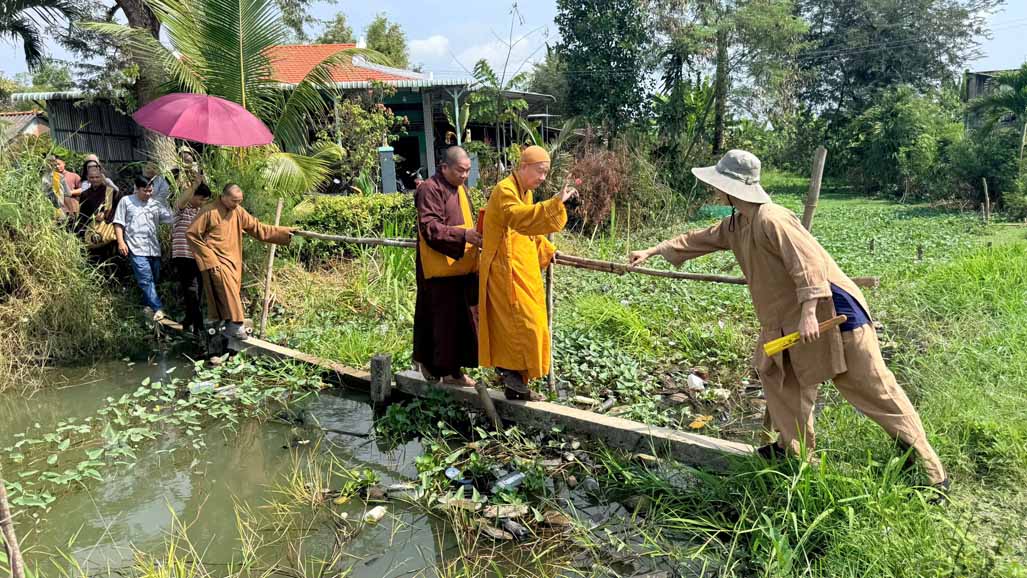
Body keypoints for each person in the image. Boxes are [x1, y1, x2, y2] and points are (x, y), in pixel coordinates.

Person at [629, 149, 948, 496]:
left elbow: (807, 263)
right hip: (788, 319)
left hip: (833, 313)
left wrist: (810, 311)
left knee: (872, 389)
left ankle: (930, 473)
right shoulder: (737, 223)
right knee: (777, 375)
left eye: (717, 184)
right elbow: (700, 238)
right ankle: (793, 453)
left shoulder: (773, 219)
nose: (713, 190)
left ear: (731, 188)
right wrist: (654, 250)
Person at [478, 146, 577, 400]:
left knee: (530, 325)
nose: (542, 177)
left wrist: (547, 249)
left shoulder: (527, 193)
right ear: (523, 166)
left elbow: (530, 232)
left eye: (546, 173)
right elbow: (520, 218)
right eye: (539, 171)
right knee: (521, 326)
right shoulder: (505, 190)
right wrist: (554, 204)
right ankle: (508, 373)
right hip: (502, 270)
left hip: (524, 268)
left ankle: (517, 386)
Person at [186, 183, 293, 340]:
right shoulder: (208, 211)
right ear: (223, 197)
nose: (237, 204)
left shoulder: (238, 211)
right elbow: (191, 234)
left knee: (228, 293)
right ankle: (235, 325)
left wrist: (285, 233)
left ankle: (226, 324)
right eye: (234, 201)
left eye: (239, 201)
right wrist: (208, 257)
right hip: (216, 259)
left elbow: (258, 228)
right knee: (227, 289)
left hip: (233, 259)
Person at [413, 146, 482, 386]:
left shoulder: (461, 189)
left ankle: (455, 373)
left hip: (462, 267)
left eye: (468, 171)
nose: (464, 175)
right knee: (438, 322)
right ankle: (432, 367)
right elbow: (430, 228)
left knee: (463, 321)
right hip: (439, 271)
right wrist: (463, 235)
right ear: (444, 167)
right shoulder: (429, 189)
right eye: (460, 170)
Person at [113, 176, 174, 320]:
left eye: (150, 191)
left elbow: (171, 218)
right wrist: (121, 242)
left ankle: (147, 309)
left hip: (154, 248)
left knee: (153, 279)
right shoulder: (126, 201)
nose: (148, 193)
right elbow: (118, 223)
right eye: (145, 191)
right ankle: (159, 309)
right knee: (145, 279)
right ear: (137, 188)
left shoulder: (155, 204)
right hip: (136, 247)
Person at [171, 179, 212, 335]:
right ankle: (198, 326)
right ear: (193, 195)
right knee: (192, 289)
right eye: (200, 199)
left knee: (197, 291)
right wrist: (194, 186)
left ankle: (189, 320)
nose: (202, 203)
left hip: (199, 257)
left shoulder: (201, 213)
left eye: (205, 200)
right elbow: (181, 200)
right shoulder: (182, 209)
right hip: (183, 255)